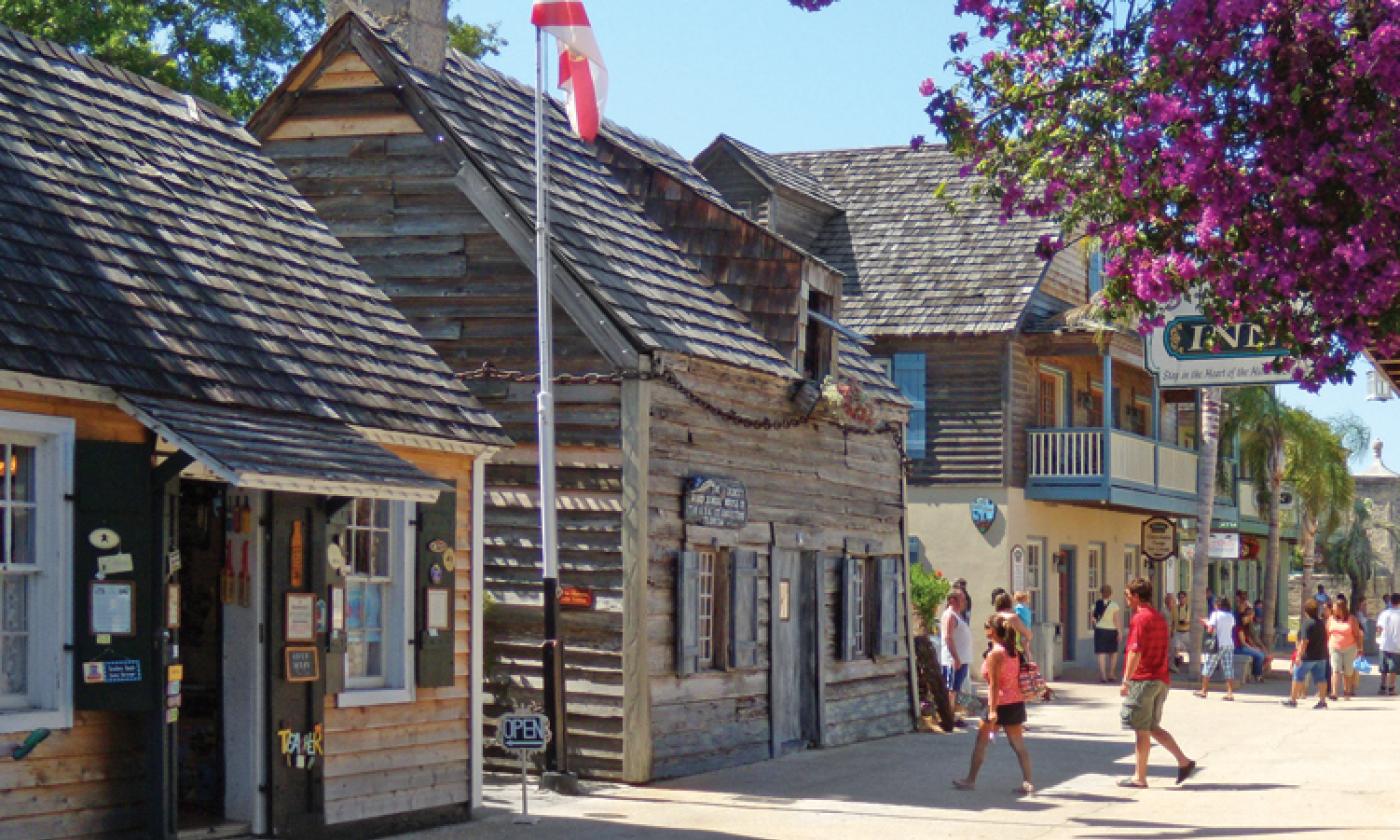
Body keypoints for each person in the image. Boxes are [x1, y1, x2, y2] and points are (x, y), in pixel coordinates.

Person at [1118, 576, 1196, 788]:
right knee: (1152, 726)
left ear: (1136, 596)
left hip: (1144, 679)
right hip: (1161, 678)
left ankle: (1139, 777)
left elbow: (1135, 651)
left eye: (1127, 595)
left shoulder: (1140, 618)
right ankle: (1184, 761)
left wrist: (1126, 680)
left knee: (1141, 729)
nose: (1126, 599)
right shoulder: (1159, 618)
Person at [953, 614, 1034, 796]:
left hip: (1000, 703)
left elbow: (994, 684)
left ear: (992, 631)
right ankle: (1028, 782)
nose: (984, 630)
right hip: (1015, 701)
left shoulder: (995, 653)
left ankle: (970, 780)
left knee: (981, 742)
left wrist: (991, 710)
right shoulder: (1013, 651)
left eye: (986, 627)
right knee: (1018, 744)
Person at [1283, 598, 1330, 709]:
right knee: (1321, 679)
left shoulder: (1307, 624)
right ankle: (1322, 701)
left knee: (1297, 676)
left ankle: (1293, 700)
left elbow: (1304, 641)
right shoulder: (1321, 623)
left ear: (1306, 611)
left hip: (1308, 657)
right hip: (1321, 655)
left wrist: (1299, 655)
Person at [1196, 597, 1238, 700]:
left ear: (1217, 605)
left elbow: (1211, 629)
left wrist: (1206, 622)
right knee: (1228, 668)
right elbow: (1231, 626)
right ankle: (1230, 692)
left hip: (1217, 644)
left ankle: (1204, 690)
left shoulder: (1215, 614)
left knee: (1208, 666)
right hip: (1228, 644)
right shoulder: (1230, 616)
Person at [940, 591, 974, 712]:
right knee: (951, 690)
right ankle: (949, 717)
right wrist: (955, 658)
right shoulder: (950, 616)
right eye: (962, 599)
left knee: (956, 689)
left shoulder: (958, 615)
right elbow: (948, 637)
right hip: (954, 660)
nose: (964, 602)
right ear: (952, 600)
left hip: (962, 659)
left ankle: (954, 714)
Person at [1327, 594, 1363, 700]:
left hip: (1350, 648)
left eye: (1334, 607)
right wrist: (1329, 644)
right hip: (1334, 647)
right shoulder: (1331, 619)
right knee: (1335, 669)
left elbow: (1357, 635)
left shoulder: (1352, 619)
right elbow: (1327, 632)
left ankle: (1347, 691)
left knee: (1348, 671)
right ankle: (1334, 693)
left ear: (1340, 608)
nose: (1333, 609)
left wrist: (1360, 649)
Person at [1092, 584, 1122, 683]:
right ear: (1110, 593)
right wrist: (1119, 632)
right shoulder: (1114, 605)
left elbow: (1093, 619)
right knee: (1113, 653)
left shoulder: (1096, 604)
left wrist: (1096, 626)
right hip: (1111, 631)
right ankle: (1111, 673)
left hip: (1100, 630)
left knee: (1101, 653)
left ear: (1101, 593)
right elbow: (1116, 620)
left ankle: (1103, 675)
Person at [1237, 607, 1271, 682]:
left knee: (1265, 656)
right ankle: (1257, 675)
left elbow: (1250, 638)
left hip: (1245, 646)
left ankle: (1256, 673)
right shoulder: (1240, 625)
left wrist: (1255, 647)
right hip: (1239, 647)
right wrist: (1253, 649)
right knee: (1260, 655)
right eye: (1251, 615)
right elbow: (1243, 642)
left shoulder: (1248, 625)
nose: (1252, 617)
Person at [1377, 592, 1400, 697]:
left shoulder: (1384, 613)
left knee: (1384, 668)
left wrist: (1379, 636)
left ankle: (1382, 686)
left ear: (1391, 601)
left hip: (1384, 644)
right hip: (1396, 645)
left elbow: (1379, 628)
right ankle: (1391, 688)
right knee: (1393, 668)